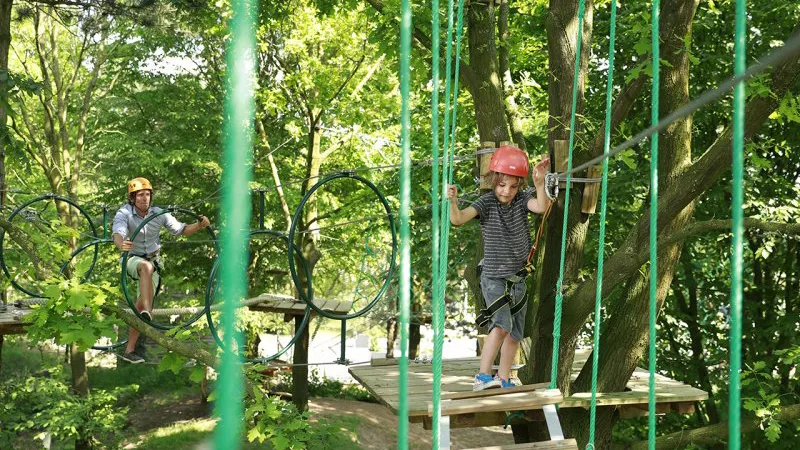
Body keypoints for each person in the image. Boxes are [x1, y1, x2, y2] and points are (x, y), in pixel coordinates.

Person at [447, 145, 551, 390]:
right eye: (502, 185)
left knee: (515, 334)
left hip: (518, 279)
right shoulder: (487, 203)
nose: (507, 191)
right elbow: (458, 220)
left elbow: (542, 207)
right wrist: (452, 201)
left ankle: (504, 378)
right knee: (502, 326)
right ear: (494, 182)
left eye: (513, 186)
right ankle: (483, 376)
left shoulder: (523, 199)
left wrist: (540, 182)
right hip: (494, 278)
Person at [112, 177, 211, 364]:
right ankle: (148, 313)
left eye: (147, 194)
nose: (144, 198)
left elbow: (182, 230)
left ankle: (130, 350)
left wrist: (199, 225)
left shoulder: (159, 214)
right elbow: (118, 232)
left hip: (154, 261)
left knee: (141, 303)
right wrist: (121, 244)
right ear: (132, 198)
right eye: (140, 195)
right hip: (132, 260)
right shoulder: (124, 212)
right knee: (145, 268)